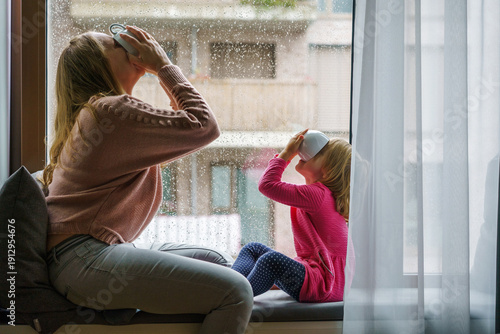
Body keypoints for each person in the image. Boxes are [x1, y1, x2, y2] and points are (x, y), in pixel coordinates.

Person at [42, 25, 253, 334]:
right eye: (114, 44)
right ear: (98, 66)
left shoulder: (102, 116)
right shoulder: (108, 112)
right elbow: (203, 125)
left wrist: (160, 70)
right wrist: (162, 65)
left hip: (90, 254)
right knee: (236, 291)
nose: (125, 45)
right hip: (83, 258)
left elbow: (185, 130)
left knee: (219, 261)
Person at [232, 129, 352, 303]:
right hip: (326, 281)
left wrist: (287, 154)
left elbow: (267, 185)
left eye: (322, 152)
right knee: (253, 249)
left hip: (324, 283)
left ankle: (233, 296)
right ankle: (230, 284)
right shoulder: (323, 196)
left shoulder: (318, 195)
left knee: (271, 260)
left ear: (328, 169)